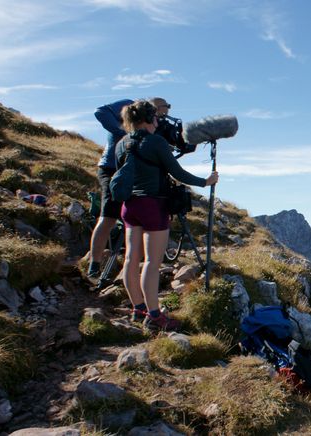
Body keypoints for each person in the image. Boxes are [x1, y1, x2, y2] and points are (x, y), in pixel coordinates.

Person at [114, 100, 218, 330]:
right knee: (152, 262)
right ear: (151, 118)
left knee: (131, 259)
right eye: (156, 118)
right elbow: (177, 172)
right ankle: (154, 315)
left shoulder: (121, 143)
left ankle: (137, 308)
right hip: (153, 206)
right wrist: (205, 181)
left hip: (129, 207)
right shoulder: (156, 142)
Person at [87, 97, 174, 278]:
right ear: (156, 108)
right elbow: (100, 111)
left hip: (138, 172)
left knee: (137, 217)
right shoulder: (129, 105)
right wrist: (124, 133)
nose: (163, 117)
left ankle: (134, 265)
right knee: (109, 216)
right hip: (112, 167)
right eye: (163, 112)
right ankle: (94, 265)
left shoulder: (153, 125)